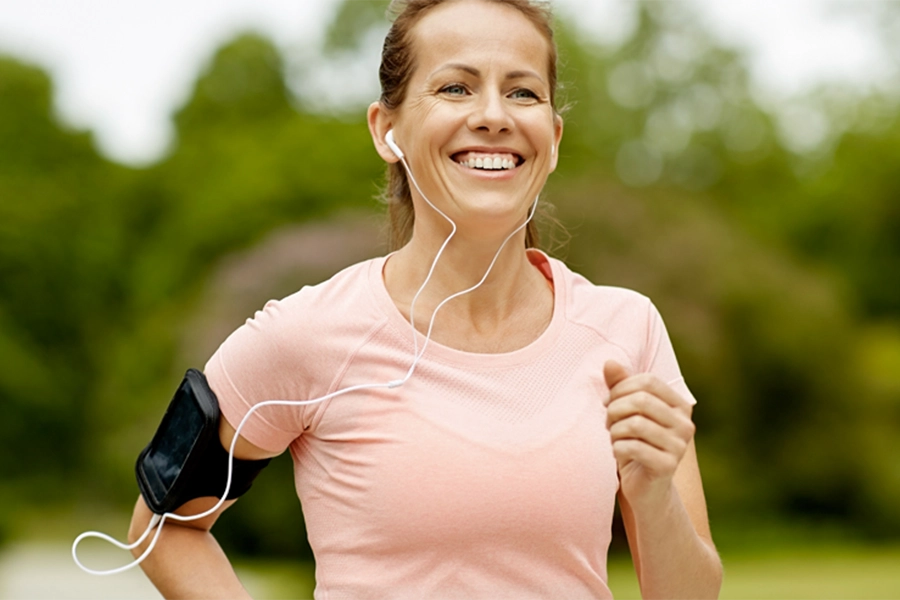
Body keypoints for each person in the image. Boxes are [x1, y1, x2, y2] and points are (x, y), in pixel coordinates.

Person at [128, 0, 724, 598]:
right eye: (456, 88)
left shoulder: (628, 329)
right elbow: (162, 528)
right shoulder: (305, 333)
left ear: (554, 138)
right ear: (387, 131)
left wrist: (653, 495)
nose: (494, 116)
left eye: (522, 93)